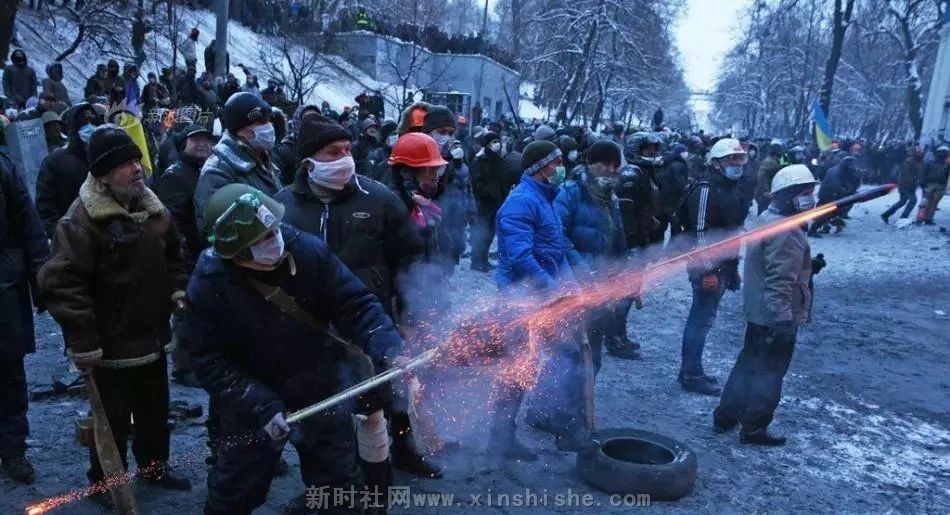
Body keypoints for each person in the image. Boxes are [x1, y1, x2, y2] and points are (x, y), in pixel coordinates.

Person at [182, 184, 406, 514]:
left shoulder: (307, 251)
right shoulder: (209, 282)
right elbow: (207, 359)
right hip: (251, 394)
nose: (274, 241)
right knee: (236, 489)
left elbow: (356, 305)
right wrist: (261, 407)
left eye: (273, 230)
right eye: (261, 239)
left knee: (337, 485)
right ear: (236, 251)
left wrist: (388, 347)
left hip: (319, 381)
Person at [276, 114, 438, 480]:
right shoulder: (283, 206)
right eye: (333, 153)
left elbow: (408, 257)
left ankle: (403, 449)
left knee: (389, 391)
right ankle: (332, 478)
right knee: (324, 405)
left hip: (371, 316)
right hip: (313, 326)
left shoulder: (379, 199)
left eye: (348, 150)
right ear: (308, 161)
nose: (344, 159)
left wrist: (408, 312)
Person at [38, 125, 192, 504]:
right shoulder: (79, 222)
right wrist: (83, 341)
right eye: (125, 164)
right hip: (109, 343)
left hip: (151, 335)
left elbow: (175, 254)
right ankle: (104, 483)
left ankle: (155, 468)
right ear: (104, 175)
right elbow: (64, 286)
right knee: (112, 419)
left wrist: (176, 290)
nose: (136, 169)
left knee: (154, 411)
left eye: (136, 160)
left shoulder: (153, 210)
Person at [491, 140, 587, 457]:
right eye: (556, 162)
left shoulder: (546, 198)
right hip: (522, 298)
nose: (562, 167)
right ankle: (503, 438)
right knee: (521, 365)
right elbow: (520, 256)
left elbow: (555, 251)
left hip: (544, 296)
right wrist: (552, 288)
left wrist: (570, 283)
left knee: (563, 357)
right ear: (540, 167)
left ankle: (558, 425)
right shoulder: (521, 202)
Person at [714, 164, 819, 446]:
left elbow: (772, 263)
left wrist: (807, 266)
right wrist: (783, 320)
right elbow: (779, 280)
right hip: (774, 314)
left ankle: (726, 415)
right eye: (804, 192)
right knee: (770, 372)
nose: (810, 198)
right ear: (787, 195)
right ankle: (754, 427)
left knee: (748, 363)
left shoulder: (767, 218)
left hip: (759, 310)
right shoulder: (787, 230)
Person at [554, 139, 633, 368]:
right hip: (572, 286)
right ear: (590, 164)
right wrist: (582, 271)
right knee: (569, 356)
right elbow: (558, 237)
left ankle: (585, 389)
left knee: (593, 357)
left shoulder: (611, 199)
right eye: (605, 164)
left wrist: (621, 272)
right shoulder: (569, 193)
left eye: (615, 165)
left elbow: (617, 242)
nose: (610, 170)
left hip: (601, 289)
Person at [679, 138, 747, 395]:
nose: (737, 164)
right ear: (717, 163)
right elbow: (699, 232)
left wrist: (733, 267)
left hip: (723, 267)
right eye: (732, 159)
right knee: (699, 321)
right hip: (707, 268)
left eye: (740, 158)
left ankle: (692, 369)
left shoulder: (731, 189)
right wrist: (707, 270)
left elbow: (732, 233)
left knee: (705, 321)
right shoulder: (706, 189)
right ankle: (691, 374)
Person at [0, 140, 49, 484]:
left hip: (3, 285)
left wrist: (40, 282)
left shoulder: (3, 168)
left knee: (8, 374)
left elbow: (29, 227)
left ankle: (13, 449)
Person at [156, 124, 214, 387]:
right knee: (185, 311)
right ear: (183, 144)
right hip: (188, 254)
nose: (202, 144)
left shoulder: (207, 169)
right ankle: (184, 367)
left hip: (204, 252)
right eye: (195, 140)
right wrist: (182, 256)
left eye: (205, 139)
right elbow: (172, 222)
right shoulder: (176, 175)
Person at [194, 92, 282, 233]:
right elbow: (221, 231)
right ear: (241, 130)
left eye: (269, 120)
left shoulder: (264, 158)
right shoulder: (217, 172)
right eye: (261, 122)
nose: (269, 127)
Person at [35, 102, 101, 237]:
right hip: (73, 237)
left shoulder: (104, 156)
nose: (89, 127)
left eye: (92, 122)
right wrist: (61, 235)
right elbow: (45, 207)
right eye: (83, 124)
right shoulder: (54, 162)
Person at [469, 132, 506, 271]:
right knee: (481, 232)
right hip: (483, 203)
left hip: (496, 202)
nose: (497, 144)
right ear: (487, 144)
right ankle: (476, 261)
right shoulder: (479, 161)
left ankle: (483, 260)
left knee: (490, 233)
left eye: (498, 141)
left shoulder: (498, 160)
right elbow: (476, 183)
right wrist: (488, 193)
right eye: (493, 142)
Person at [271, 103, 321, 186]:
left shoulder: (323, 148)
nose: (313, 123)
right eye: (307, 119)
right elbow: (277, 182)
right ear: (298, 122)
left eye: (317, 119)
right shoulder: (283, 151)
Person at [881, 145, 924, 223]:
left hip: (910, 185)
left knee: (902, 201)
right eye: (918, 152)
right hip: (905, 185)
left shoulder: (919, 161)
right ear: (914, 152)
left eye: (921, 152)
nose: (920, 153)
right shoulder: (909, 161)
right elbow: (906, 174)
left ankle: (886, 214)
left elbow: (918, 173)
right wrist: (911, 183)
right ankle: (903, 217)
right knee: (913, 200)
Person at [916, 145, 949, 225]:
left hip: (938, 185)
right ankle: (922, 218)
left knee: (931, 203)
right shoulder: (931, 162)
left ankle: (926, 219)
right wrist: (922, 183)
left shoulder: (946, 164)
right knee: (927, 203)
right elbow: (923, 173)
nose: (942, 155)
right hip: (931, 184)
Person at [755, 143, 783, 215]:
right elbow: (761, 178)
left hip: (766, 194)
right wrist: (765, 192)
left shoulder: (770, 161)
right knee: (764, 215)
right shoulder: (770, 162)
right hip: (765, 195)